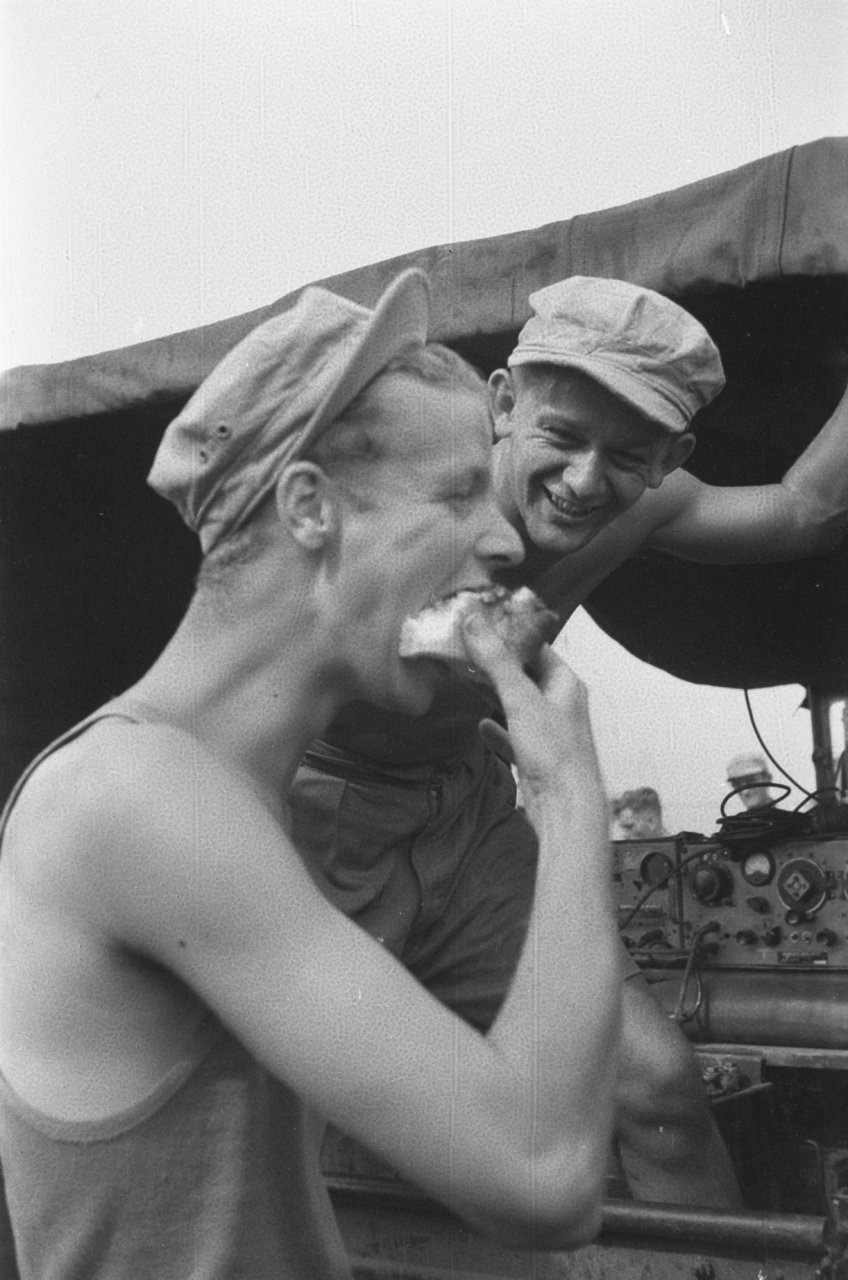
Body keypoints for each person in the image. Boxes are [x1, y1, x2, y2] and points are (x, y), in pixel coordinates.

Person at [0, 270, 623, 1278]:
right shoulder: (137, 798)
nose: (506, 539)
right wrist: (567, 793)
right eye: (458, 493)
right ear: (308, 509)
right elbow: (543, 1174)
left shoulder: (232, 796)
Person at [291, 275, 848, 1210]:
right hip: (316, 824)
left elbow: (803, 511)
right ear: (503, 403)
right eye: (563, 436)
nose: (587, 481)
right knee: (279, 1137)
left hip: (468, 828)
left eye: (628, 455)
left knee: (657, 1088)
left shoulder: (641, 507)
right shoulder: (403, 486)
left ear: (671, 458)